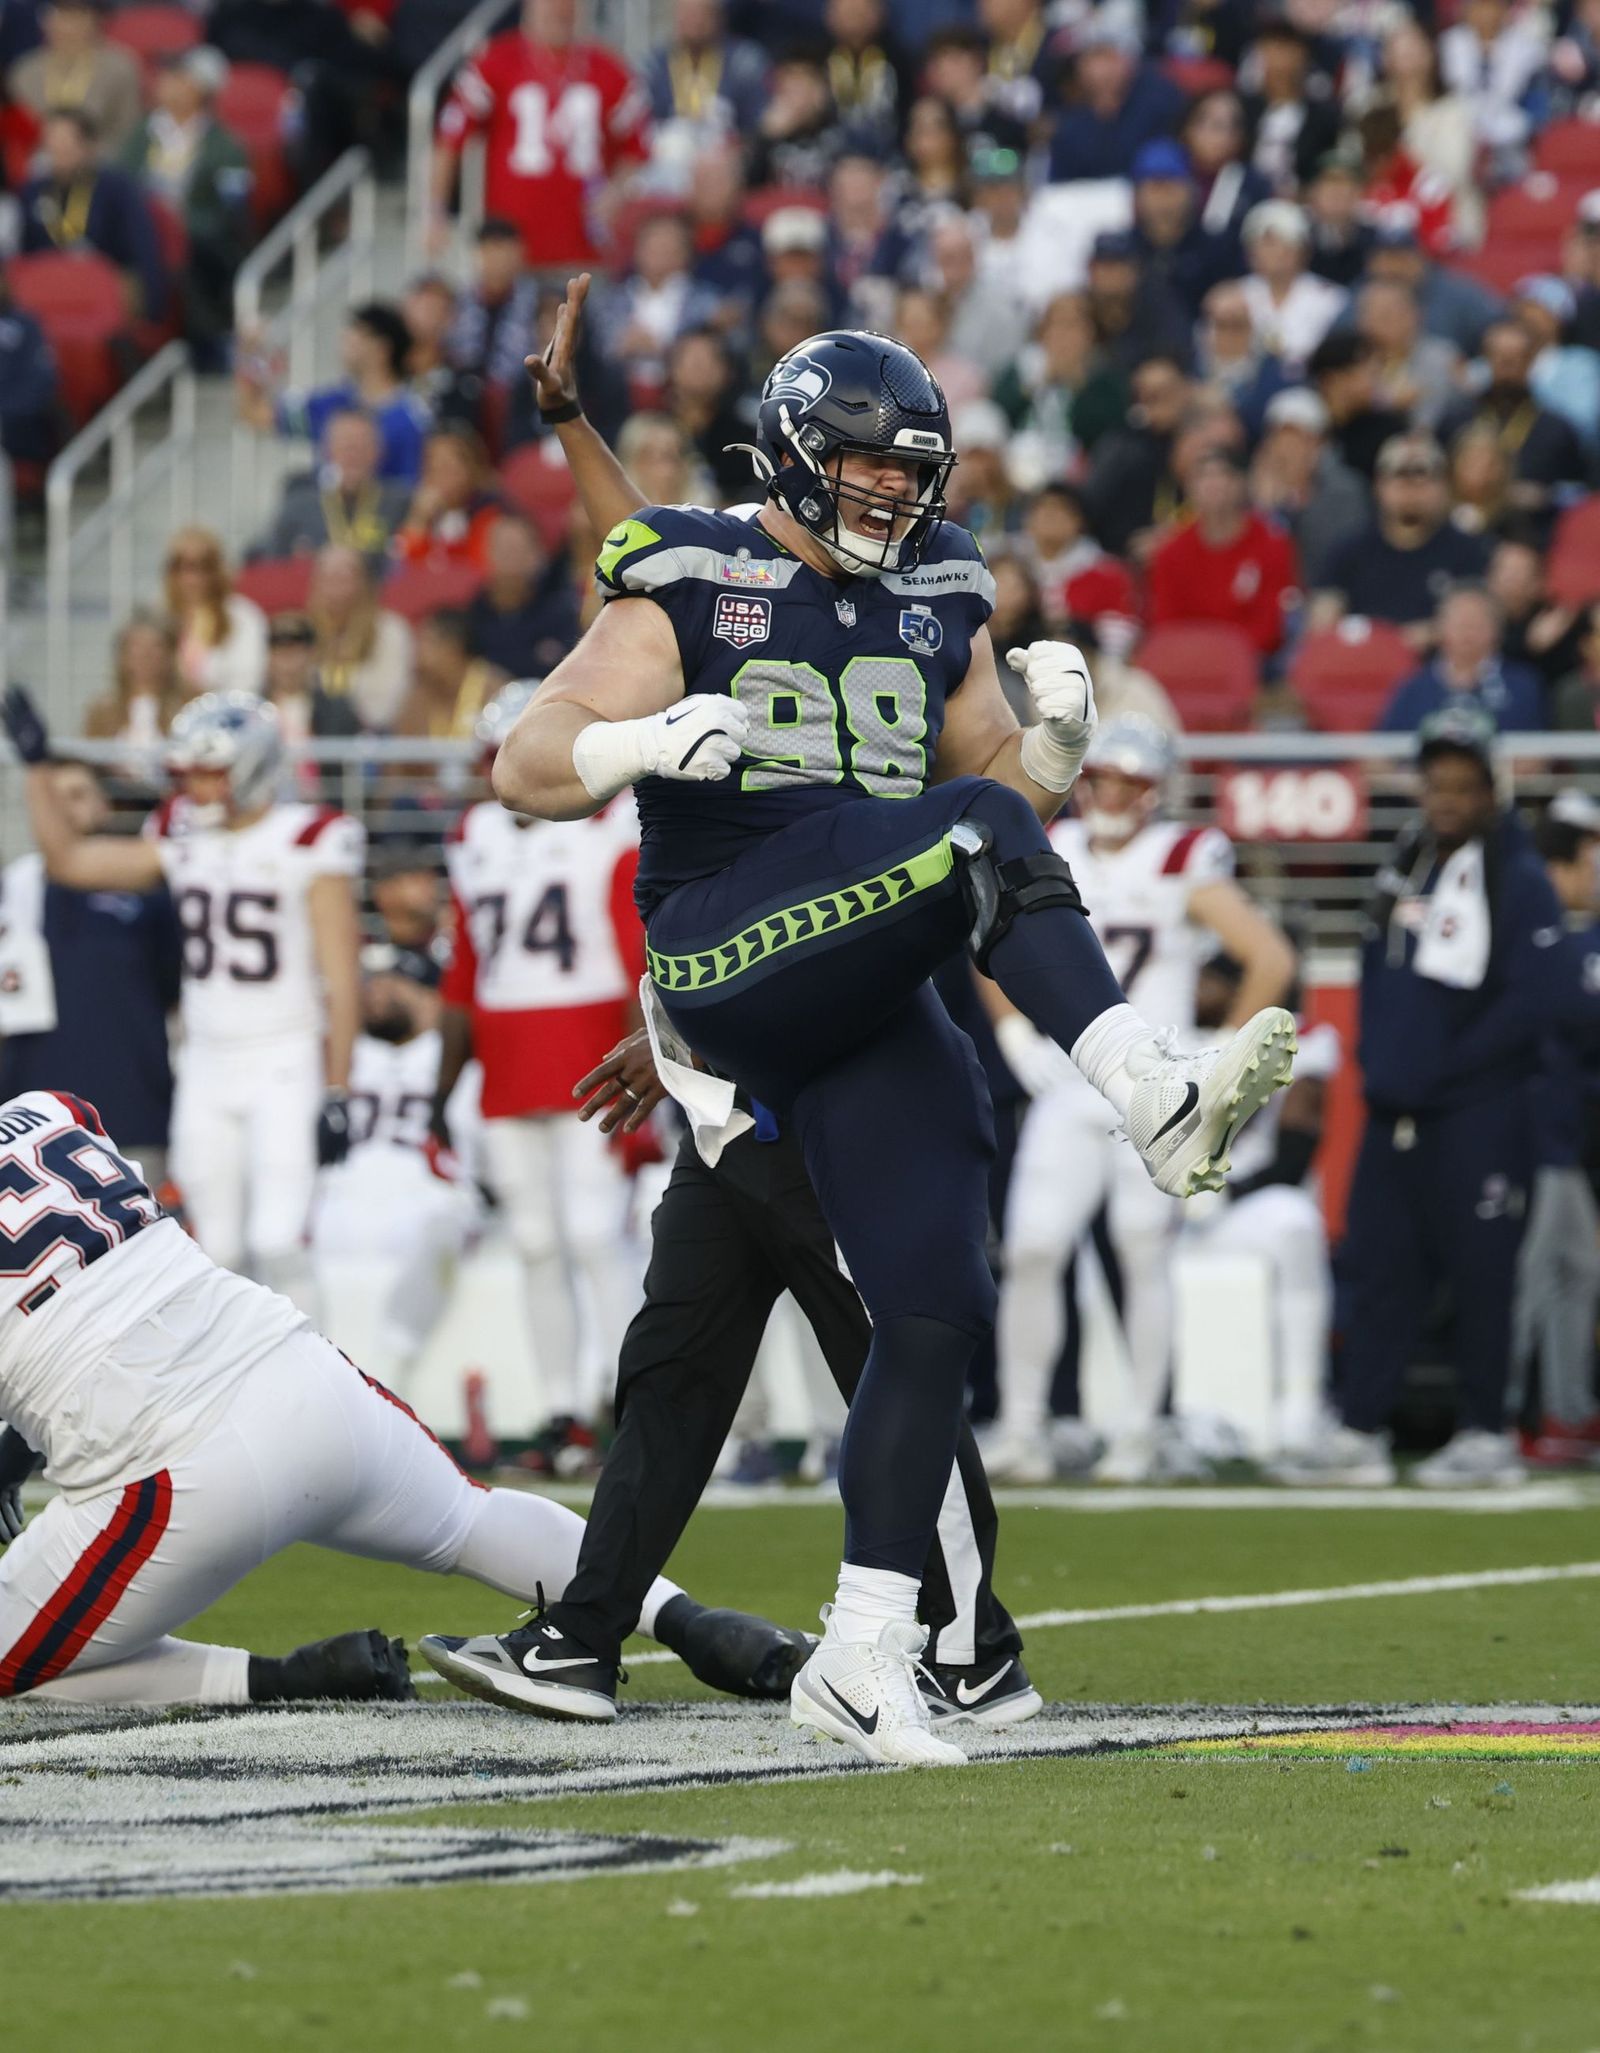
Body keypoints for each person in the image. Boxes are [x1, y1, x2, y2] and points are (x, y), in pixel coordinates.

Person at [487, 325, 1294, 1765]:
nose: (891, 492)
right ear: (800, 451)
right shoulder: (694, 571)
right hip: (723, 936)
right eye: (865, 464)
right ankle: (1148, 1084)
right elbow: (525, 761)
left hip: (857, 969)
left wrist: (1050, 751)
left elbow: (989, 793)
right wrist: (636, 746)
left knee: (932, 1300)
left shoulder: (938, 587)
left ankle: (863, 1652)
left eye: (910, 469)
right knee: (968, 843)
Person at [0, 1087, 806, 1708]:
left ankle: (288, 1678)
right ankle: (695, 1622)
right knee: (470, 1516)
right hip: (298, 1370)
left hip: (172, 1465)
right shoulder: (48, 1109)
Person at [424, 1021, 1041, 1728]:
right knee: (668, 1378)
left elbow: (828, 967)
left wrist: (691, 1043)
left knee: (898, 1368)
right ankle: (584, 1632)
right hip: (720, 1125)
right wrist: (684, 1043)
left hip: (831, 1118)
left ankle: (972, 1653)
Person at [1281, 709, 1587, 1490]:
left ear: (1491, 789)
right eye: (1436, 782)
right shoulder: (1406, 861)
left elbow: (1538, 1000)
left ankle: (1486, 1431)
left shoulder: (1519, 878)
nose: (1447, 798)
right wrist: (1383, 1066)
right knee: (1381, 1269)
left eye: (1462, 784)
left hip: (1480, 1111)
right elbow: (1381, 978)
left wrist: (1447, 1073)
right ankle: (1360, 1428)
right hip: (1397, 1109)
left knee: (1483, 1274)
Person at [986, 716, 1295, 1484]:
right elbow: (985, 936)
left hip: (1153, 1088)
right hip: (1070, 1082)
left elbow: (1269, 957)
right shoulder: (1055, 843)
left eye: (1132, 782)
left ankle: (1141, 1429)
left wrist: (1215, 1059)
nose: (1116, 795)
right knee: (1031, 1247)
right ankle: (1022, 1428)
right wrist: (1016, 1034)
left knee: (1141, 1251)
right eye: (1105, 779)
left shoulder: (1184, 856)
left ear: (1156, 790)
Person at [4, 689, 360, 1317]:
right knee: (214, 1248)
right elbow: (70, 860)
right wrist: (36, 768)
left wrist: (337, 1087)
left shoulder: (309, 836)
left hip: (284, 1052)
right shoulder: (181, 833)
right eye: (191, 770)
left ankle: (320, 1369)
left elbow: (341, 975)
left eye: (210, 770)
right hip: (207, 1060)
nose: (195, 784)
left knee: (278, 1240)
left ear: (250, 765)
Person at [430, 680, 644, 1466]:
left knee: (594, 1234)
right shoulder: (476, 834)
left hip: (594, 1043)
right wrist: (441, 1087)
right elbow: (464, 968)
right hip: (507, 1060)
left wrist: (644, 1049)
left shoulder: (610, 821)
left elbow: (636, 949)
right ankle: (562, 1413)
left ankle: (626, 1398)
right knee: (535, 1242)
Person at [0, 759, 181, 1190]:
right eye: (55, 797)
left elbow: (173, 988)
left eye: (79, 795)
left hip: (131, 1110)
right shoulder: (15, 886)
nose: (65, 808)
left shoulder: (151, 889)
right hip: (29, 1119)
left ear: (105, 805)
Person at [311, 943, 481, 1395]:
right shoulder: (340, 1053)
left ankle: (390, 1371)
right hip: (344, 1195)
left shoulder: (455, 1057)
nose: (376, 993)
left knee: (441, 1225)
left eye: (393, 983)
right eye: (371, 984)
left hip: (429, 1194)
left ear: (431, 998)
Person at [1189, 954, 1340, 1461]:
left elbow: (1294, 1157)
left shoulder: (1301, 1039)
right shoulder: (1164, 1033)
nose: (1195, 992)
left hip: (1243, 1203)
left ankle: (1301, 1408)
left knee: (1295, 1224)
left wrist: (1220, 1193)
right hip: (1163, 1208)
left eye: (1207, 983)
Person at [432, 0, 650, 271]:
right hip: (512, 252)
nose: (559, 12)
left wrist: (616, 191)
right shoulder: (495, 61)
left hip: (585, 250)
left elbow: (638, 147)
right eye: (550, 5)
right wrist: (435, 210)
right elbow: (450, 140)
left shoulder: (608, 68)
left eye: (566, 6)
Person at [1512, 797, 1600, 1466]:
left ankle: (1566, 1412)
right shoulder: (1540, 936)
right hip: (1533, 1134)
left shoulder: (1565, 938)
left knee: (1574, 1272)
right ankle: (1499, 1414)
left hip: (1564, 1139)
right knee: (1534, 1278)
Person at [118, 47, 251, 358]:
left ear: (200, 88)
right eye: (166, 80)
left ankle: (208, 339)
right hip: (145, 228)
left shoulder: (224, 143)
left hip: (198, 234)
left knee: (189, 255)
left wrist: (181, 223)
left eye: (180, 80)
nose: (172, 88)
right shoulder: (141, 136)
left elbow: (233, 208)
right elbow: (123, 185)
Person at [1311, 433, 1490, 644]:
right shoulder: (1349, 550)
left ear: (1443, 486)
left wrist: (1420, 636)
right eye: (1401, 478)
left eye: (1422, 479)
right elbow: (1323, 619)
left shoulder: (1468, 551)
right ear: (1379, 486)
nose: (1411, 490)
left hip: (1439, 660)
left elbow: (1478, 620)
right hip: (1364, 657)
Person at [238, 303, 431, 489]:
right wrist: (250, 354)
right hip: (329, 510)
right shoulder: (333, 402)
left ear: (381, 348)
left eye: (355, 334)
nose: (344, 340)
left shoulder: (414, 417)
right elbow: (254, 413)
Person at [1147, 445, 1300, 662]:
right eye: (1203, 476)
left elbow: (1270, 626)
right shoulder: (1170, 553)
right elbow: (1166, 624)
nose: (1213, 484)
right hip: (1188, 661)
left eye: (1222, 475)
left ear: (1241, 483)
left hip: (1255, 662)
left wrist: (1224, 655)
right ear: (1189, 487)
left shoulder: (1272, 544)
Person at [19, 107, 166, 321]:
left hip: (101, 294)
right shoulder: (33, 191)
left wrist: (149, 302)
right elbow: (24, 255)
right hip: (48, 296)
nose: (59, 150)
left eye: (67, 143)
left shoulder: (116, 189)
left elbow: (142, 250)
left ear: (88, 146)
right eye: (52, 143)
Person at [1248, 387, 1370, 593]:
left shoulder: (1346, 490)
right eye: (1279, 438)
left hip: (1330, 595)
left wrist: (1291, 504)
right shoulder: (1254, 487)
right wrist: (1264, 509)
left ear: (1320, 442)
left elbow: (1338, 556)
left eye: (1298, 439)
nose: (1285, 449)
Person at [258, 410, 411, 571]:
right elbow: (271, 565)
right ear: (327, 450)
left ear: (379, 451)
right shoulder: (299, 504)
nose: (354, 455)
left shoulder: (400, 503)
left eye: (362, 446)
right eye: (346, 446)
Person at [1379, 584, 1544, 733]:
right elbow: (1384, 748)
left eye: (1476, 623)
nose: (1467, 631)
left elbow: (1537, 748)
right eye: (1459, 623)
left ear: (1497, 629)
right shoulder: (1414, 688)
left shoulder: (1522, 686)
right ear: (1440, 628)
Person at [5, 0, 140, 153]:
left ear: (96, 21)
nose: (65, 25)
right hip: (36, 159)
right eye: (58, 14)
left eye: (75, 16)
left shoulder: (119, 68)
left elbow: (126, 131)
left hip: (100, 160)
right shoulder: (25, 71)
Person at [308, 545, 413, 732]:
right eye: (327, 577)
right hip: (312, 736)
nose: (334, 588)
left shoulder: (390, 631)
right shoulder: (306, 630)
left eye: (343, 577)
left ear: (364, 582)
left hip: (372, 736)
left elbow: (389, 703)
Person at [464, 512, 580, 678]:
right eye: (503, 549)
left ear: (538, 555)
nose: (511, 559)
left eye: (518, 549)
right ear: (486, 553)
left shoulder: (562, 614)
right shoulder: (471, 617)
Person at [1239, 199, 1346, 373]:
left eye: (1285, 242)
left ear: (1302, 249)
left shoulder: (1330, 299)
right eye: (1266, 243)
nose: (1277, 252)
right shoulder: (1235, 296)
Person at [163, 525, 268, 698]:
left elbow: (248, 684)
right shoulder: (162, 618)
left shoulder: (242, 616)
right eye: (182, 568)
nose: (191, 579)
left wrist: (200, 696)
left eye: (202, 568)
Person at [393, 424, 506, 575]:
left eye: (448, 468)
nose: (439, 478)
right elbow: (400, 570)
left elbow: (478, 571)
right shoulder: (414, 511)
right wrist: (418, 520)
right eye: (432, 468)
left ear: (472, 469)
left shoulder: (490, 515)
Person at [83, 609, 183, 751]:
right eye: (136, 647)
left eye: (155, 647)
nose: (145, 656)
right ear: (122, 656)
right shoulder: (102, 712)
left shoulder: (187, 708)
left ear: (169, 655)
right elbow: (87, 756)